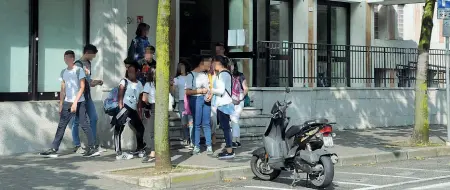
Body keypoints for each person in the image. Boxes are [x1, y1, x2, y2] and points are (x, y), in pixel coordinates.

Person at [39, 50, 98, 158]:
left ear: (72, 59)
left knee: (84, 124)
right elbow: (62, 88)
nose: (66, 60)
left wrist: (75, 102)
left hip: (80, 102)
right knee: (61, 125)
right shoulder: (63, 72)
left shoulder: (79, 70)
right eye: (65, 58)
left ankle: (92, 147)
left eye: (68, 58)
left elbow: (82, 87)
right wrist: (61, 104)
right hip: (67, 102)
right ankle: (54, 148)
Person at [72, 44, 103, 154]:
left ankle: (93, 143)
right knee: (76, 121)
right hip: (79, 97)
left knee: (94, 118)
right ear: (87, 53)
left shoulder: (88, 64)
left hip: (88, 96)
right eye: (93, 56)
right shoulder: (77, 65)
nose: (93, 58)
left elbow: (88, 81)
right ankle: (77, 145)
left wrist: (97, 82)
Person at [111, 63, 147, 160]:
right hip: (124, 108)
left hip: (133, 109)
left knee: (140, 128)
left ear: (137, 72)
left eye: (132, 71)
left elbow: (139, 100)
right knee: (118, 129)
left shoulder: (139, 84)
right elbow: (120, 94)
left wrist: (140, 113)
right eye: (129, 71)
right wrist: (120, 107)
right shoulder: (124, 81)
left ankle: (140, 148)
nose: (130, 73)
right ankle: (118, 153)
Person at [185, 55, 213, 155]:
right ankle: (196, 146)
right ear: (201, 63)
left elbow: (209, 88)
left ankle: (209, 145)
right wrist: (201, 91)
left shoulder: (205, 75)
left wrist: (210, 94)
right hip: (196, 98)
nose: (209, 64)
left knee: (206, 122)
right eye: (207, 62)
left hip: (206, 99)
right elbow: (187, 91)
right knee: (197, 123)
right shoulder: (190, 75)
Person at [211, 55, 235, 159]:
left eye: (213, 63)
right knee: (226, 127)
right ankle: (229, 148)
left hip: (223, 104)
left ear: (217, 63)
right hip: (224, 104)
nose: (212, 65)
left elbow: (220, 91)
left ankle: (230, 151)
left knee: (226, 128)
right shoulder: (225, 73)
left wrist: (210, 89)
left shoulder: (223, 74)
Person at [171, 61, 194, 149]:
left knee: (191, 121)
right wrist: (171, 84)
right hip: (181, 101)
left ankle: (192, 140)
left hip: (189, 100)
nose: (182, 69)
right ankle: (186, 138)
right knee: (184, 122)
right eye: (180, 68)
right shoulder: (177, 79)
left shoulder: (189, 76)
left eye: (183, 67)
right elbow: (172, 90)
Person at [230, 60, 249, 148]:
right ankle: (237, 140)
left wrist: (241, 97)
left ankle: (234, 140)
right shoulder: (226, 75)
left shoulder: (240, 75)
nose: (230, 67)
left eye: (232, 65)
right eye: (229, 65)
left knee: (234, 119)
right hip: (229, 100)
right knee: (234, 120)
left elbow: (245, 88)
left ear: (235, 66)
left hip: (240, 100)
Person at [141, 67, 157, 163]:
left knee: (152, 132)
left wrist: (147, 104)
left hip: (153, 107)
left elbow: (144, 98)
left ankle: (153, 153)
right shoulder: (161, 84)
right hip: (162, 107)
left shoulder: (148, 84)